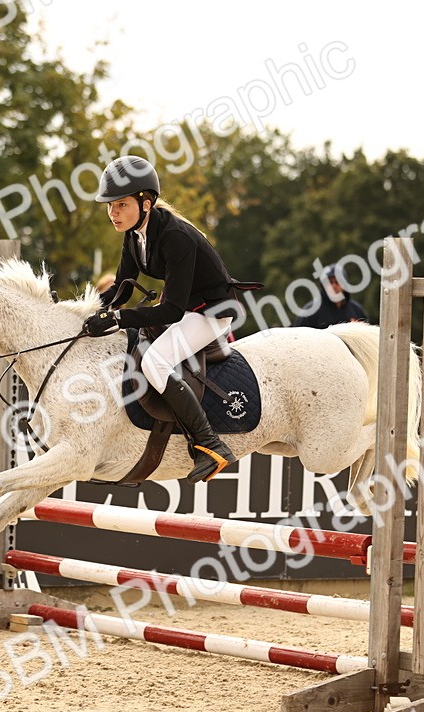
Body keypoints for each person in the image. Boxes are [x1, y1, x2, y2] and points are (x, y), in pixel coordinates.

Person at [84, 156, 254, 483]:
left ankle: (210, 445)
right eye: (110, 206)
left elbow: (172, 311)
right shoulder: (133, 235)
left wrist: (118, 319)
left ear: (145, 203)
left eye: (120, 205)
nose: (112, 213)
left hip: (210, 311)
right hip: (184, 308)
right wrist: (88, 312)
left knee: (155, 363)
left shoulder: (176, 236)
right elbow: (121, 287)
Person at [290, 263, 368, 328]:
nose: (333, 286)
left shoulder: (356, 310)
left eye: (337, 282)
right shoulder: (310, 311)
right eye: (330, 282)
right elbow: (297, 338)